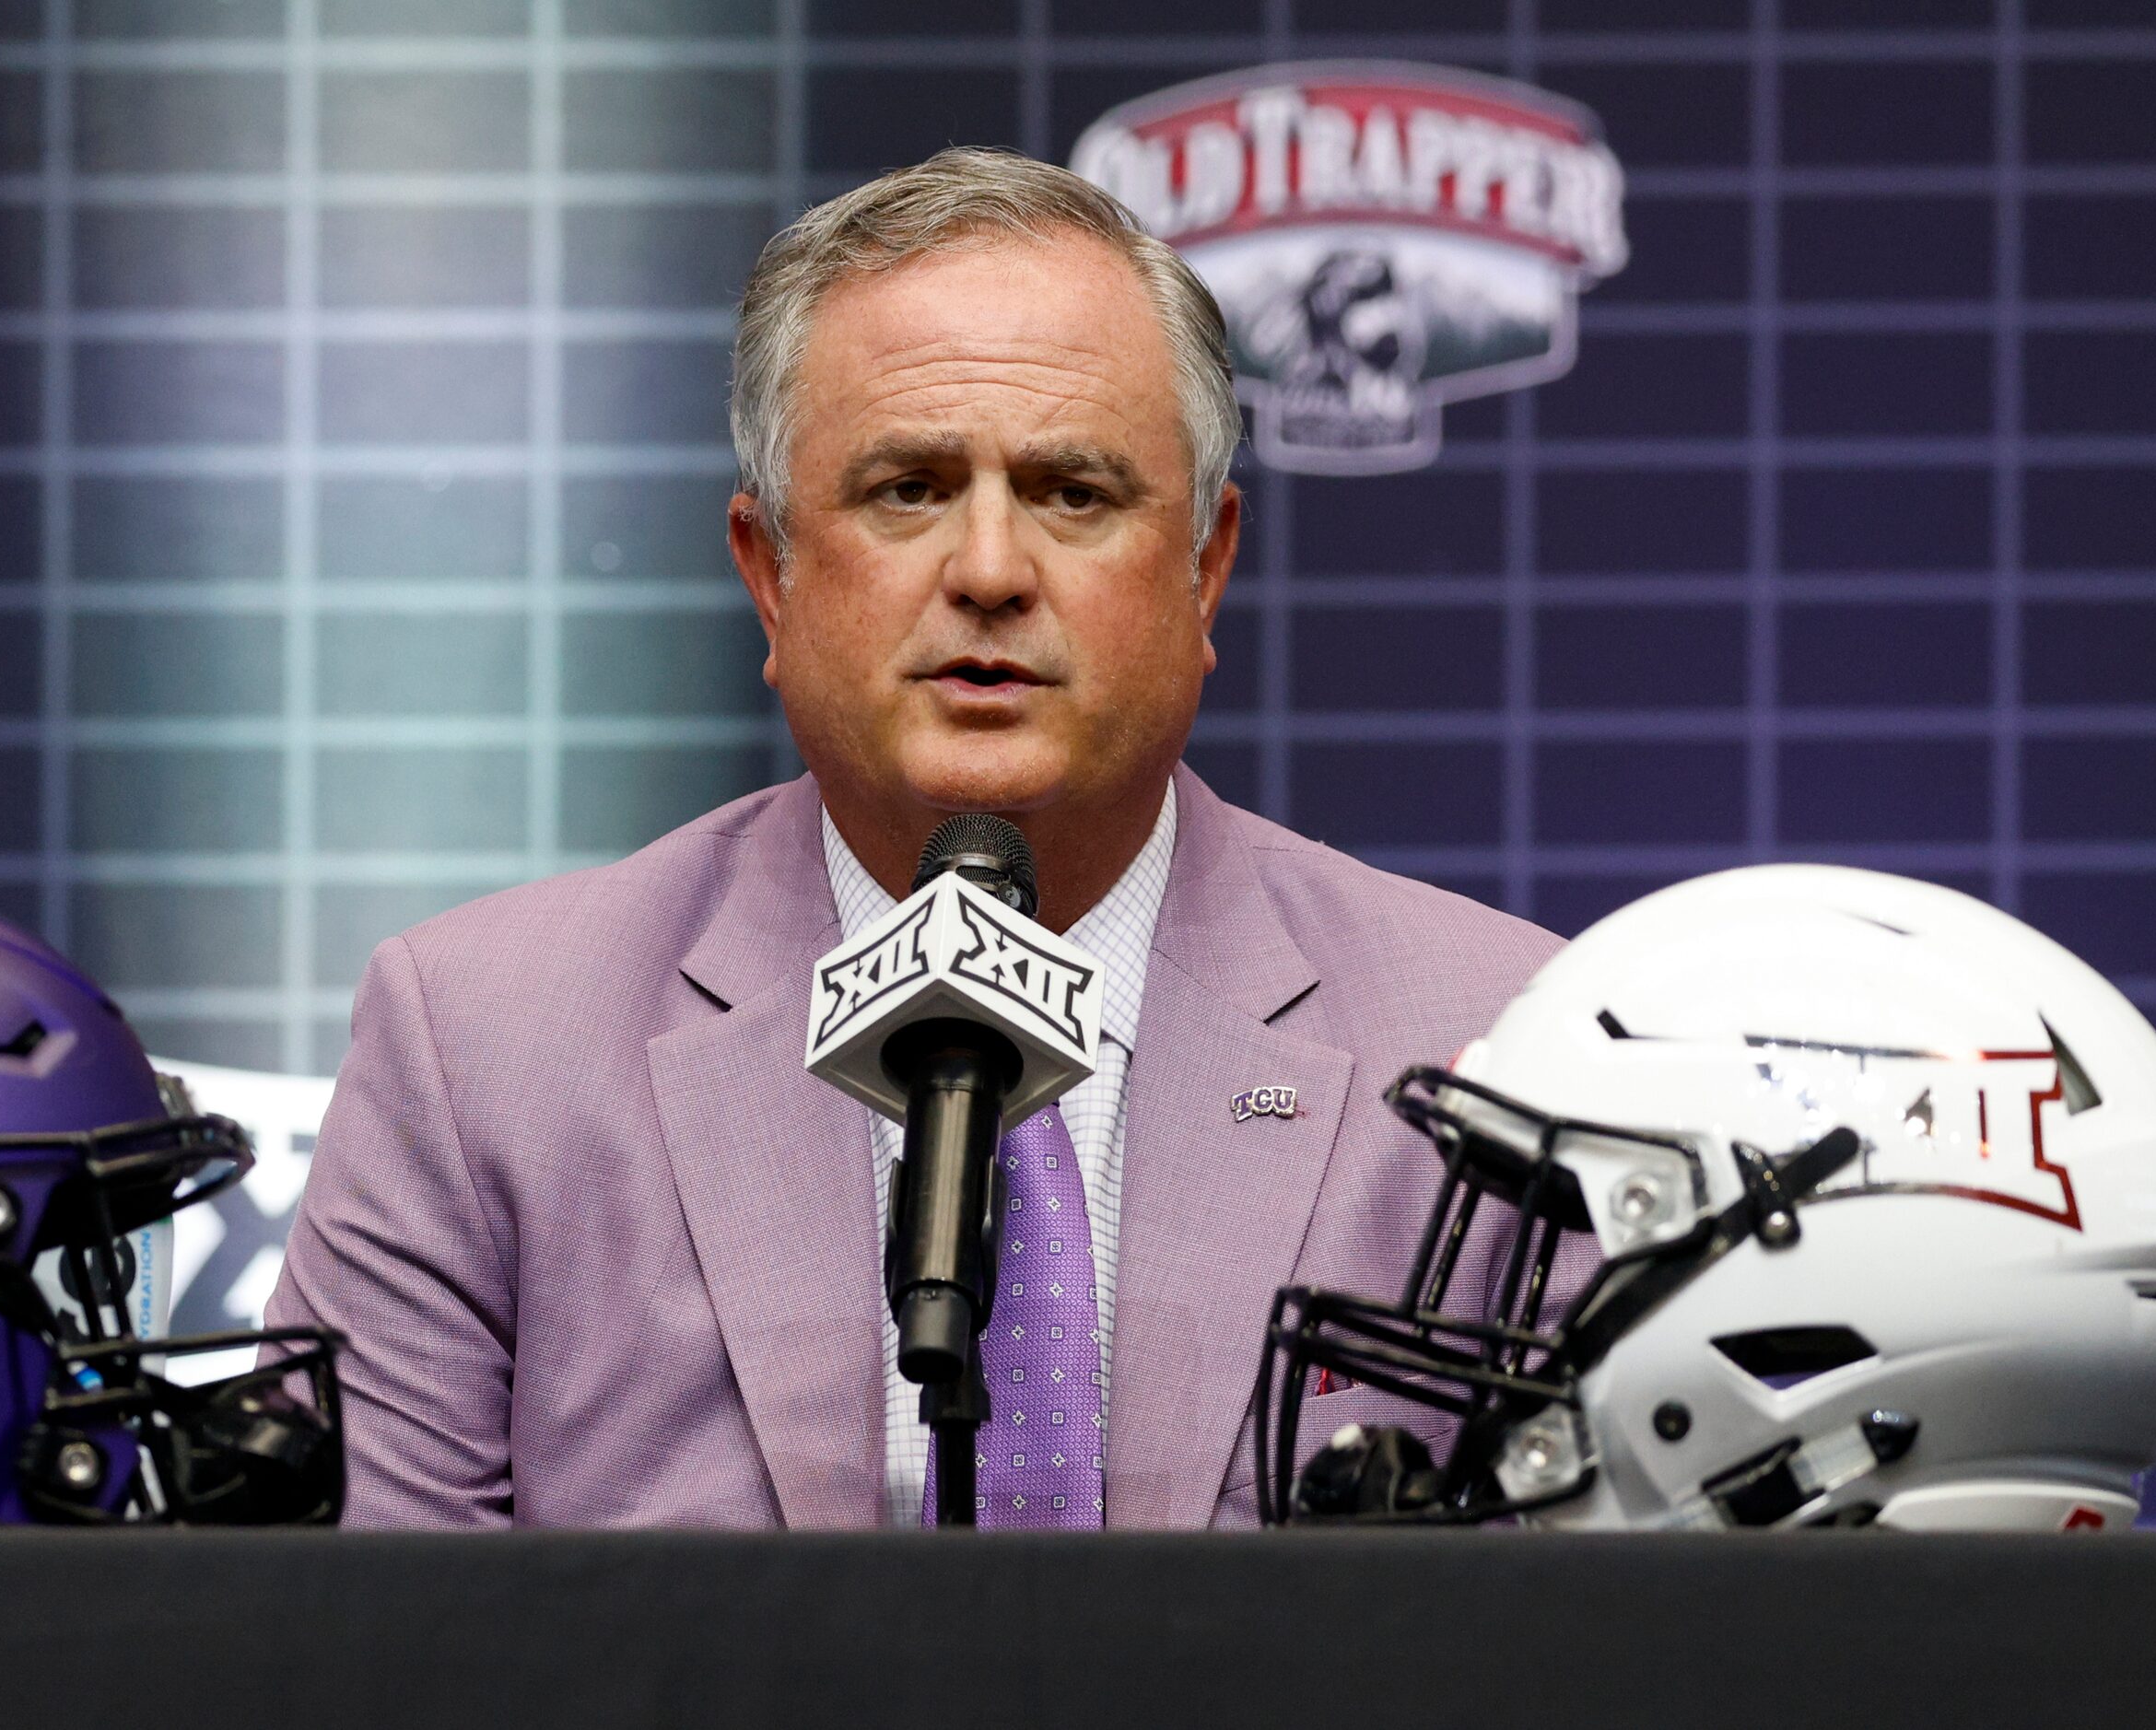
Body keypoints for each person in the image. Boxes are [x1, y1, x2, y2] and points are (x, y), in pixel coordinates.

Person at [264, 146, 1559, 1528]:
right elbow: (347, 1654)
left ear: (1205, 567)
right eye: (907, 489)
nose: (991, 572)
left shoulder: (1501, 1050)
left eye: (1075, 492)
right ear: (770, 574)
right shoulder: (483, 1053)